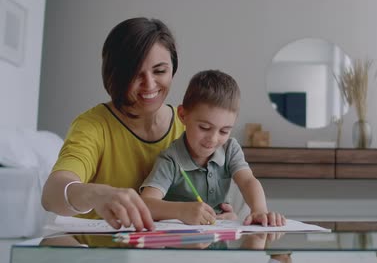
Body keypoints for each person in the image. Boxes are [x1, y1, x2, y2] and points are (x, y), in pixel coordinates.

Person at [41, 17, 235, 232]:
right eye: (135, 74)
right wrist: (99, 194)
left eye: (160, 71)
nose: (150, 84)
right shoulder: (94, 126)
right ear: (116, 75)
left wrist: (220, 216)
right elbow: (52, 195)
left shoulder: (194, 127)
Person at [140, 70, 286, 227]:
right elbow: (146, 203)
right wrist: (181, 211)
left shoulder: (230, 149)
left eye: (224, 131)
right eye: (204, 127)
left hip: (219, 240)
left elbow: (248, 181)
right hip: (179, 244)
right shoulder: (171, 159)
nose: (214, 139)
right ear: (182, 115)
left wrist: (259, 210)